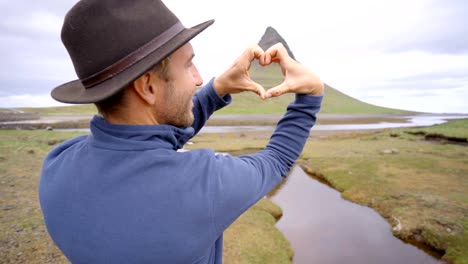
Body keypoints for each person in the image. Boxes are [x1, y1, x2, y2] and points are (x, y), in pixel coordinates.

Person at [39, 0, 324, 263]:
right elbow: (277, 159)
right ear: (148, 87)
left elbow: (151, 137)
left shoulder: (57, 165)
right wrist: (311, 94)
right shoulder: (204, 183)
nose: (199, 78)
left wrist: (217, 90)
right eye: (188, 64)